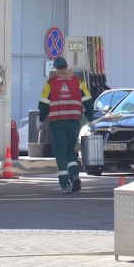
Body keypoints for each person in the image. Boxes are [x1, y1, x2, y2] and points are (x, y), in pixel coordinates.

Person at [38, 57, 94, 194]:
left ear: (56, 68)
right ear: (67, 66)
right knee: (71, 150)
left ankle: (65, 185)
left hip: (57, 122)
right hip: (74, 121)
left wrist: (41, 117)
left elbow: (44, 102)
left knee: (60, 151)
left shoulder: (51, 83)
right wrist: (90, 117)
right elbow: (87, 100)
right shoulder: (78, 81)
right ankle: (74, 175)